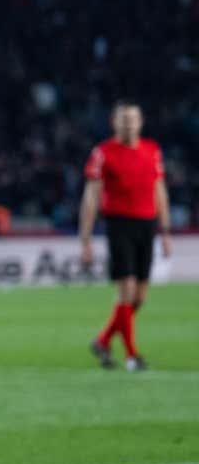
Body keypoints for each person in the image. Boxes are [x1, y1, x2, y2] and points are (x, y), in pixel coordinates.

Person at [80, 101, 172, 371]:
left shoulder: (152, 150)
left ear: (141, 122)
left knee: (139, 298)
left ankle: (103, 340)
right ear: (114, 122)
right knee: (126, 290)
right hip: (119, 224)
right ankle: (132, 355)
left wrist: (165, 231)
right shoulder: (103, 153)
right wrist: (85, 238)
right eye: (123, 119)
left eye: (132, 119)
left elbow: (160, 191)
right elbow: (91, 196)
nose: (128, 124)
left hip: (147, 225)